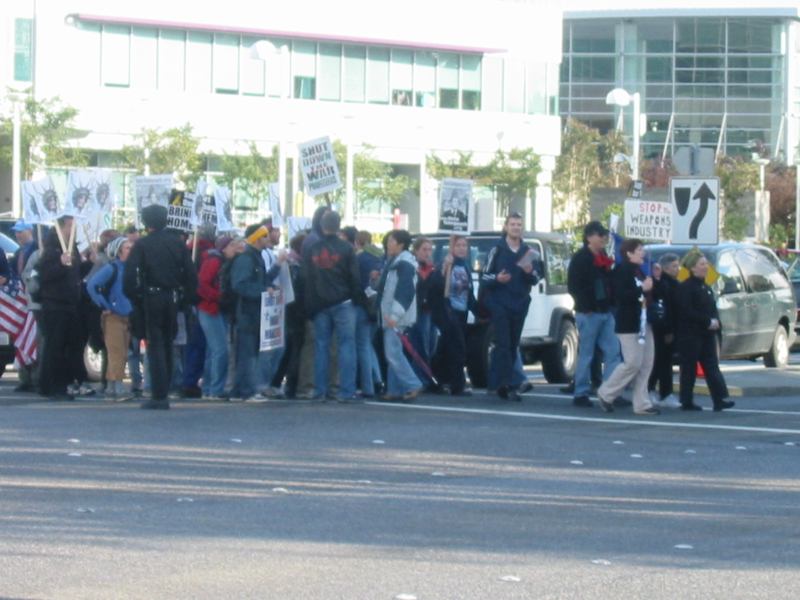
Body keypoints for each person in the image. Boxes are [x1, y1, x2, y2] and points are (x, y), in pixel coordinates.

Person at [123, 205, 197, 410]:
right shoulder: (177, 244)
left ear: (147, 223)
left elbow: (129, 276)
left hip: (152, 296)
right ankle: (164, 390)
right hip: (172, 297)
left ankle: (158, 394)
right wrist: (186, 299)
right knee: (167, 343)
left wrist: (136, 297)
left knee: (154, 345)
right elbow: (190, 274)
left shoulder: (143, 245)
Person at [302, 211, 363, 402]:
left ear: (321, 225)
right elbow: (354, 277)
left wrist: (310, 304)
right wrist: (358, 299)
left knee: (321, 346)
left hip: (320, 304)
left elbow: (307, 278)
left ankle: (319, 390)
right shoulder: (346, 248)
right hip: (343, 302)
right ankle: (346, 391)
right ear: (338, 226)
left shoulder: (313, 248)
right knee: (347, 345)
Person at [595, 239, 659, 415]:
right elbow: (622, 296)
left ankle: (642, 403)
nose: (643, 253)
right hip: (629, 323)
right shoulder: (621, 271)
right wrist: (642, 290)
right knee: (632, 362)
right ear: (629, 253)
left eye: (642, 249)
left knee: (646, 363)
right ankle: (606, 392)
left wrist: (655, 280)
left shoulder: (640, 271)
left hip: (644, 321)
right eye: (639, 250)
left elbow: (650, 293)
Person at [480, 212, 539, 402]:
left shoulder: (528, 252)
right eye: (512, 224)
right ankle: (506, 385)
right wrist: (497, 278)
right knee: (503, 344)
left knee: (512, 345)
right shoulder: (496, 250)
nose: (516, 227)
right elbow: (484, 276)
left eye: (519, 224)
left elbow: (537, 278)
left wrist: (530, 273)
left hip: (519, 304)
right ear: (505, 227)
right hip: (500, 304)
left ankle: (498, 383)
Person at [567, 221, 622, 408]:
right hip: (588, 312)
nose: (603, 239)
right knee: (587, 354)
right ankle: (580, 392)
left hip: (605, 311)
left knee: (613, 352)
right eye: (600, 235)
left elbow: (609, 282)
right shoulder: (581, 258)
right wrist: (586, 306)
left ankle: (609, 391)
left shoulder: (603, 256)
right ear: (590, 237)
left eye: (604, 235)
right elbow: (574, 286)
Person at [37, 216, 91, 401]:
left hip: (70, 304)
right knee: (55, 346)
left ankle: (58, 383)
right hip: (55, 304)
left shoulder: (71, 248)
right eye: (70, 226)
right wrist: (60, 263)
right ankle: (54, 386)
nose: (73, 229)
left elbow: (74, 274)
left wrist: (88, 263)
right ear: (60, 228)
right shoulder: (52, 249)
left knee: (69, 345)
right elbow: (44, 275)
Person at [229, 224, 285, 401]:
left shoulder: (255, 257)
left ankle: (240, 390)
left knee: (249, 352)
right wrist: (263, 291)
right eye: (266, 236)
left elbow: (261, 280)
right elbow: (239, 284)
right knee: (248, 353)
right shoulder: (246, 259)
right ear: (258, 238)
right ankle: (246, 391)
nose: (270, 238)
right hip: (247, 313)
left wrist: (274, 271)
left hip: (254, 312)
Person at [676, 251, 734, 412]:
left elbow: (711, 308)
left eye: (706, 264)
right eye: (702, 264)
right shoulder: (686, 287)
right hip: (690, 334)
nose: (705, 267)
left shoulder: (706, 287)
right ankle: (686, 401)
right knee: (688, 368)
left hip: (707, 333)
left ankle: (719, 398)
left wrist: (716, 322)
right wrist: (706, 321)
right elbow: (686, 311)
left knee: (711, 365)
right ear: (693, 268)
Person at [376, 229, 422, 401]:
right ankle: (394, 390)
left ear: (400, 244)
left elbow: (405, 291)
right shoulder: (398, 262)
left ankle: (413, 384)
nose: (388, 244)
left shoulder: (403, 264)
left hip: (396, 316)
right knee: (393, 352)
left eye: (391, 241)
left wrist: (394, 315)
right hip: (393, 315)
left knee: (393, 353)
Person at [87, 237, 133, 400]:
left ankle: (112, 388)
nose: (131, 250)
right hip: (113, 316)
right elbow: (92, 285)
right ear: (118, 250)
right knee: (116, 352)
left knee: (121, 353)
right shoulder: (112, 268)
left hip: (127, 316)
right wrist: (104, 306)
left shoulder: (130, 269)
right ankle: (117, 388)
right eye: (127, 247)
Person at [431, 234, 476, 396]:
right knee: (458, 348)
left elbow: (469, 293)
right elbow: (437, 286)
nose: (462, 249)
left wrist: (479, 312)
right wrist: (444, 269)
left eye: (464, 246)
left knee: (445, 348)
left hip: (461, 313)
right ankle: (458, 385)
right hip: (448, 312)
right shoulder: (446, 265)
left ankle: (438, 380)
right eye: (458, 246)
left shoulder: (465, 267)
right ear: (452, 248)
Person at [196, 235, 236, 400]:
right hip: (210, 308)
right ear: (224, 248)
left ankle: (209, 388)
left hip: (213, 308)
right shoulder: (214, 262)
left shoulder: (219, 261)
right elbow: (202, 284)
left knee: (213, 351)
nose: (235, 248)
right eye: (232, 245)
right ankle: (216, 389)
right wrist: (218, 296)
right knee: (220, 350)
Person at [648, 253, 681, 409]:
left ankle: (660, 391)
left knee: (664, 362)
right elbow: (666, 308)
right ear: (666, 268)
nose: (678, 269)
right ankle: (660, 392)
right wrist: (668, 329)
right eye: (674, 266)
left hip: (671, 327)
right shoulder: (663, 285)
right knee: (660, 361)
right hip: (661, 329)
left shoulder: (674, 284)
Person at [409, 236, 439, 391]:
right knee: (420, 345)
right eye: (424, 250)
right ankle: (421, 378)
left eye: (429, 250)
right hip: (418, 311)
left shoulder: (434, 269)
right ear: (416, 251)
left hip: (431, 310)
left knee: (430, 345)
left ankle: (425, 376)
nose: (427, 253)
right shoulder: (414, 267)